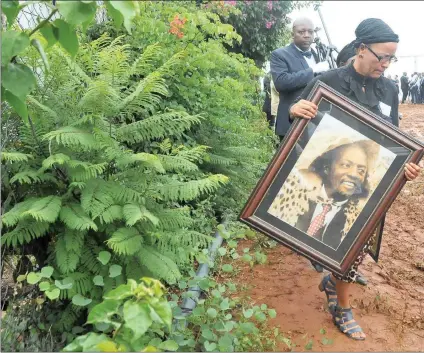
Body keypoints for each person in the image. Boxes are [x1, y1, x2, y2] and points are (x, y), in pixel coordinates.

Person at [289, 18, 422, 340]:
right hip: (331, 181)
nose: (387, 64)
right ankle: (342, 305)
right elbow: (302, 133)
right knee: (339, 239)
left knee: (357, 240)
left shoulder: (389, 89)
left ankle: (335, 282)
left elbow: (391, 136)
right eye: (383, 57)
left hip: (369, 182)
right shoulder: (328, 82)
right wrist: (296, 111)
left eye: (392, 59)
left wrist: (405, 163)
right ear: (362, 49)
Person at [269, 139, 378, 249]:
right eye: (346, 165)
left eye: (361, 171)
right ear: (327, 168)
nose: (354, 174)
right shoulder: (293, 195)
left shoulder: (355, 223)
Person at [270, 17, 329, 142]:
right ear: (292, 34)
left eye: (310, 32)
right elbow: (281, 82)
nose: (306, 35)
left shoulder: (319, 55)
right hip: (292, 122)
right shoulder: (279, 54)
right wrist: (312, 70)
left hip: (318, 123)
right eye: (301, 32)